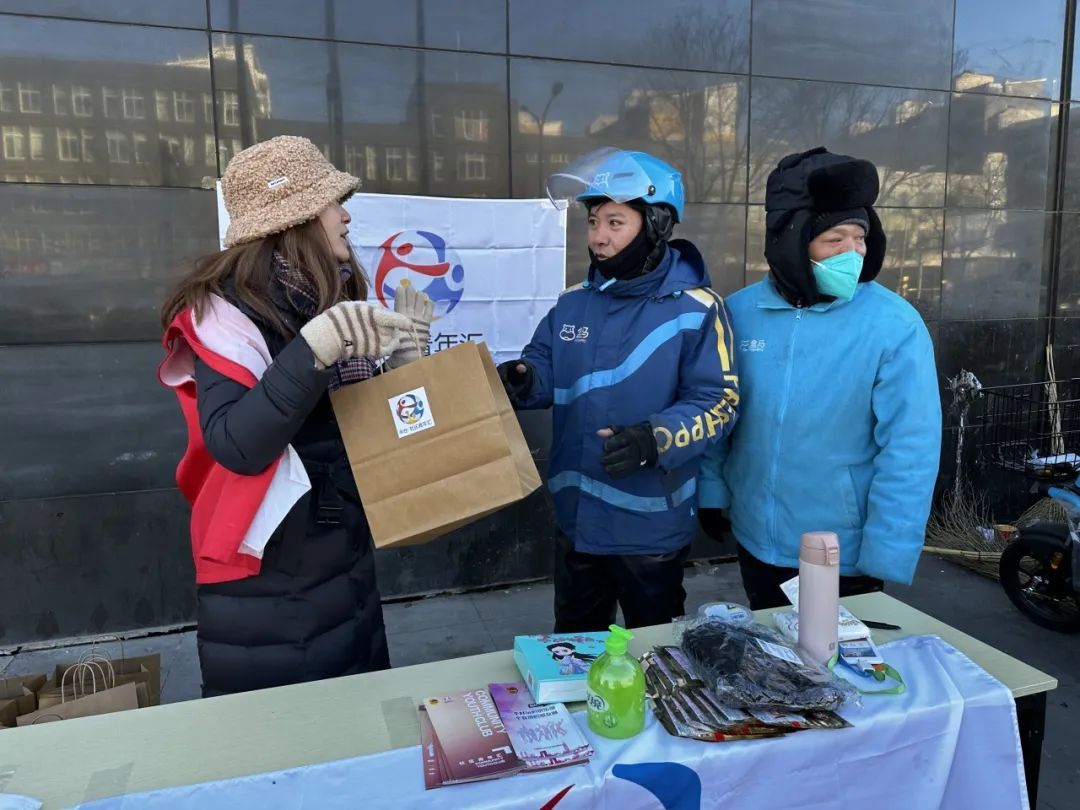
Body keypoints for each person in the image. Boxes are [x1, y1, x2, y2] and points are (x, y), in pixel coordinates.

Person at [159, 136, 433, 696]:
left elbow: (361, 433)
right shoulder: (224, 316)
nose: (346, 215)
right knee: (291, 739)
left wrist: (407, 367)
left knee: (359, 722)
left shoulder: (326, 298)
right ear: (295, 219)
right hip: (270, 592)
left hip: (344, 563)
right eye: (333, 202)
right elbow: (236, 445)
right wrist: (315, 348)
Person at [498, 147, 739, 633]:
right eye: (593, 222)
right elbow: (544, 365)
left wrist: (656, 438)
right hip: (576, 521)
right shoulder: (573, 303)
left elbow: (719, 402)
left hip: (649, 533)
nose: (599, 237)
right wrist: (525, 379)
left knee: (656, 656)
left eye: (615, 222)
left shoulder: (697, 308)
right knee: (573, 653)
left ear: (655, 224)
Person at [697, 147, 941, 610]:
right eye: (834, 239)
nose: (853, 252)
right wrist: (712, 491)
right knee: (767, 653)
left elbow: (911, 447)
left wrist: (887, 550)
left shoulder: (894, 325)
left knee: (831, 657)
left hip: (842, 554)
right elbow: (718, 409)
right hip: (755, 539)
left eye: (860, 238)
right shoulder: (740, 313)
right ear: (792, 241)